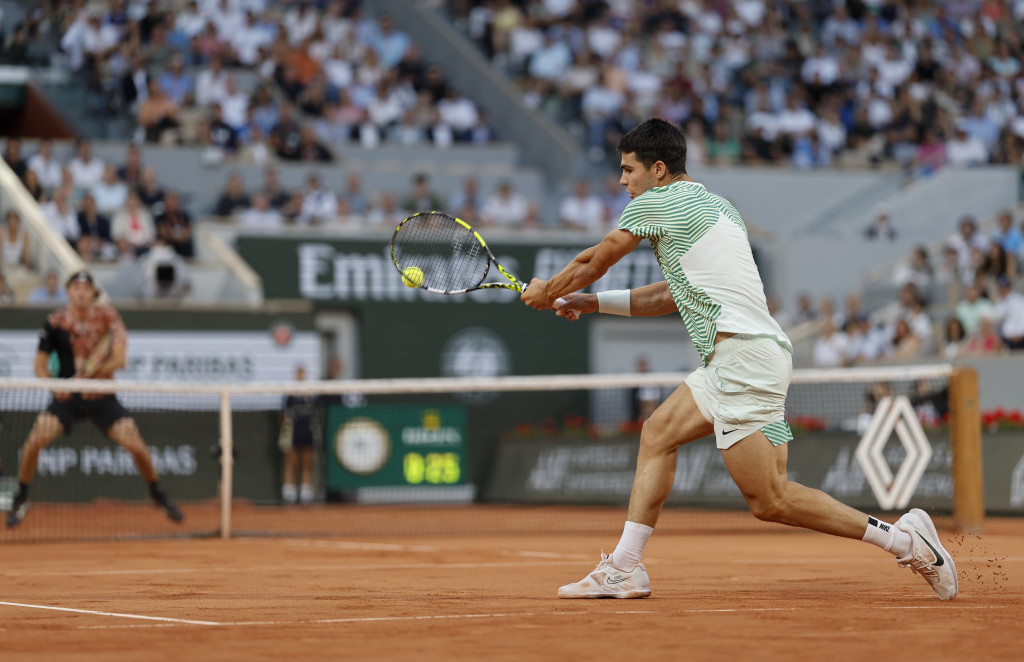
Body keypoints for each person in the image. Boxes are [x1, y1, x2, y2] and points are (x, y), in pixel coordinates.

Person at [523, 118, 956, 601]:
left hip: (743, 360)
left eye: (628, 171)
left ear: (658, 170)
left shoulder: (659, 202)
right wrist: (592, 302)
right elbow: (672, 293)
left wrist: (550, 289)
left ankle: (905, 542)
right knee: (658, 433)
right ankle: (625, 566)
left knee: (770, 499)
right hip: (742, 356)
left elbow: (597, 259)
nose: (623, 181)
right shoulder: (716, 206)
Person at [6, 271, 184, 527]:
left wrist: (90, 374)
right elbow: (40, 365)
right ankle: (22, 497)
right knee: (34, 442)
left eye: (86, 288)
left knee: (136, 446)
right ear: (68, 292)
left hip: (102, 395)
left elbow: (119, 359)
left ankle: (156, 492)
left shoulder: (109, 317)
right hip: (67, 397)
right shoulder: (55, 322)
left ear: (93, 293)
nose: (81, 292)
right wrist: (54, 385)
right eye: (75, 287)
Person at [279, 365, 320, 505]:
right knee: (291, 462)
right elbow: (282, 414)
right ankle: (289, 494)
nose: (301, 377)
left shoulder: (311, 395)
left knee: (307, 462)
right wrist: (286, 430)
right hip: (292, 433)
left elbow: (316, 414)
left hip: (307, 432)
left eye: (303, 374)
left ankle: (306, 493)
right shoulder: (290, 395)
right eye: (299, 374)